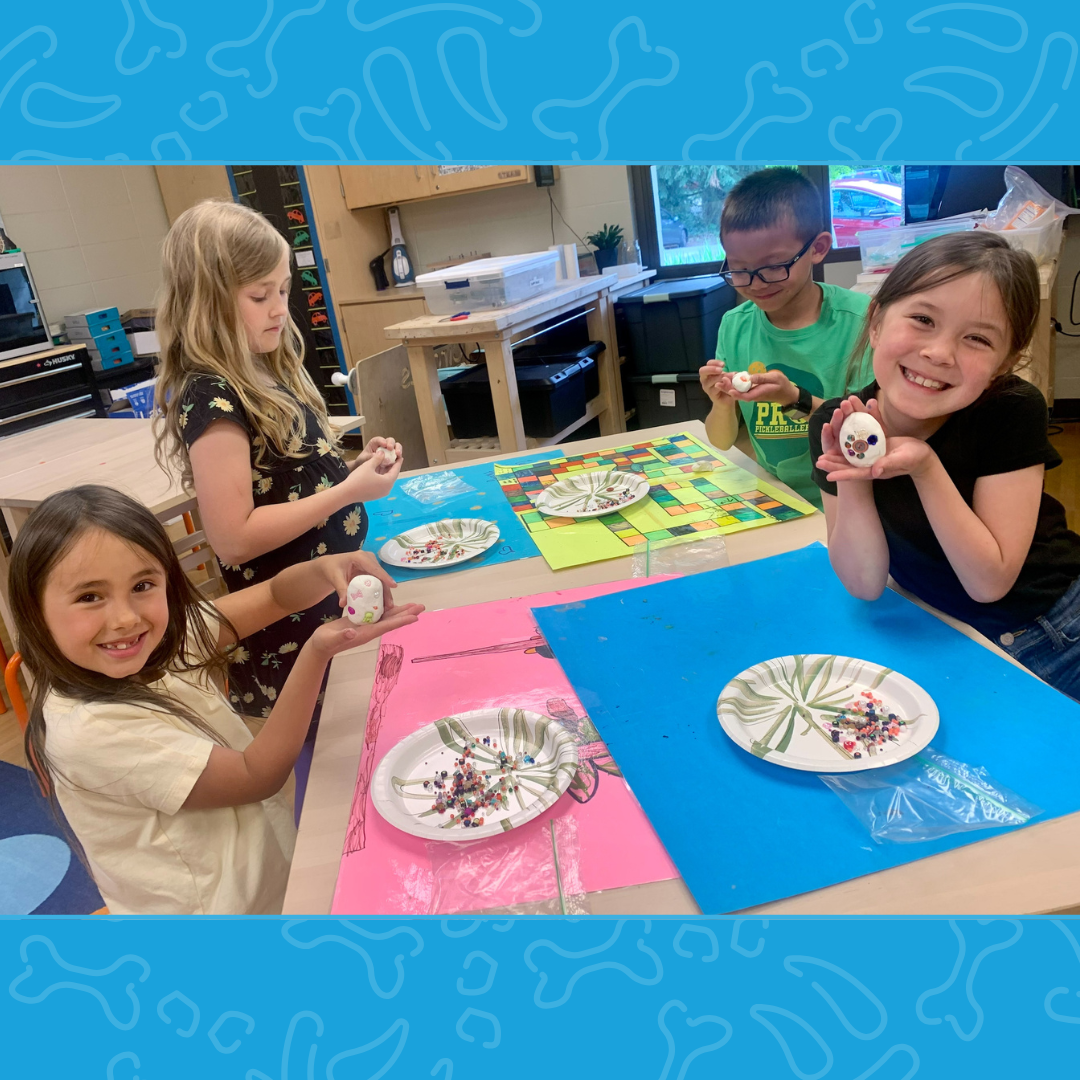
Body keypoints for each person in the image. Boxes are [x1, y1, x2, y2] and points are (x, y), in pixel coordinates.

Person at [9, 485, 424, 914]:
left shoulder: (157, 645)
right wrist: (317, 651)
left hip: (262, 878)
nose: (125, 618)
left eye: (143, 585)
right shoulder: (90, 731)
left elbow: (274, 596)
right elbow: (255, 775)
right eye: (89, 597)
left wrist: (323, 570)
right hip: (220, 921)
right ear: (34, 609)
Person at [155, 199, 402, 721]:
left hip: (330, 608)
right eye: (259, 295)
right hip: (287, 640)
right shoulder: (211, 396)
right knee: (327, 782)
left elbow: (292, 482)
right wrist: (348, 493)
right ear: (207, 303)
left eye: (284, 289)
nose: (278, 308)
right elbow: (234, 536)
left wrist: (354, 470)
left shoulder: (269, 367)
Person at [810, 230, 1080, 701]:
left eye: (976, 338)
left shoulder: (1010, 410)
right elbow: (865, 583)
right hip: (944, 633)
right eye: (922, 319)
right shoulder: (836, 424)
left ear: (1004, 363)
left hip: (1053, 627)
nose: (939, 353)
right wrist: (854, 475)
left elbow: (988, 582)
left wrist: (925, 468)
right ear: (875, 321)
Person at [698, 168, 871, 508]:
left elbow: (870, 437)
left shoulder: (863, 322)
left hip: (852, 501)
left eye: (775, 266)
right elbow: (721, 441)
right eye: (738, 269)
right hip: (776, 498)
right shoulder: (735, 326)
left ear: (818, 248)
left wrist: (793, 398)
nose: (755, 283)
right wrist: (722, 404)